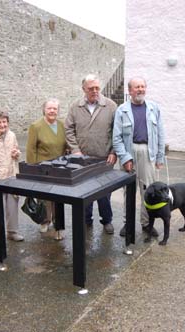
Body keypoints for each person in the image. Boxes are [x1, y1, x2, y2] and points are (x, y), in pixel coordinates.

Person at [112, 77, 165, 237]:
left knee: (148, 190)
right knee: (128, 191)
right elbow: (117, 137)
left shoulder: (154, 108)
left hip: (148, 152)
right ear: (130, 91)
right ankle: (127, 223)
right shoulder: (122, 110)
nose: (140, 89)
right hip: (129, 151)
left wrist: (160, 157)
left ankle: (147, 223)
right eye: (137, 87)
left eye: (142, 86)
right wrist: (125, 158)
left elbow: (160, 133)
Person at [65, 74, 117, 234]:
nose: (95, 91)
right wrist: (75, 150)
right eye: (91, 88)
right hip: (82, 159)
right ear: (84, 89)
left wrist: (114, 152)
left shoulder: (110, 105)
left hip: (104, 158)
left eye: (97, 88)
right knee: (84, 191)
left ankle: (106, 220)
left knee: (104, 193)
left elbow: (118, 131)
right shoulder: (75, 106)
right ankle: (86, 220)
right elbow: (68, 129)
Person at [26, 98, 67, 233]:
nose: (52, 111)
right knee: (44, 198)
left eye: (55, 109)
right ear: (44, 110)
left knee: (59, 197)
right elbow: (31, 149)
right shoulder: (36, 126)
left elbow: (66, 146)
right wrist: (32, 169)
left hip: (59, 168)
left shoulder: (62, 125)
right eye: (49, 108)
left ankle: (58, 223)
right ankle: (45, 221)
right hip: (42, 168)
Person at [0, 109, 24, 242]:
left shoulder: (11, 135)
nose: (2, 125)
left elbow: (17, 150)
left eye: (4, 122)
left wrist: (17, 153)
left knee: (12, 205)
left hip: (12, 175)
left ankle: (12, 231)